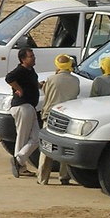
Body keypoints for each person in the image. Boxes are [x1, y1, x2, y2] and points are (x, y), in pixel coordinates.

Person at [37, 54, 80, 185]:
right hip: (68, 117)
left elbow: (47, 92)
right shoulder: (75, 80)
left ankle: (43, 177)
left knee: (47, 147)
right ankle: (64, 176)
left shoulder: (51, 79)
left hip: (51, 115)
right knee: (65, 147)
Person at [5, 47, 40, 178]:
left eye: (33, 55)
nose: (33, 58)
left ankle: (19, 161)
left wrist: (39, 85)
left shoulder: (30, 70)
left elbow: (31, 82)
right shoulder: (20, 70)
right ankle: (20, 164)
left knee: (36, 138)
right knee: (23, 137)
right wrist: (18, 89)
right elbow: (9, 78)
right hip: (22, 107)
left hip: (30, 107)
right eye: (31, 56)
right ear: (23, 59)